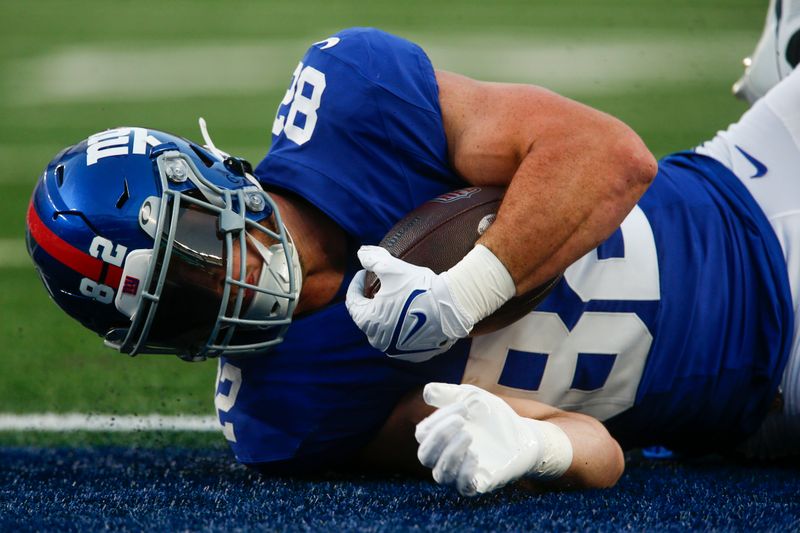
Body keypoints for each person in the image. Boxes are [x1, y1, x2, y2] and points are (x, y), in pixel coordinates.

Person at [25, 1, 800, 496]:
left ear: (211, 175)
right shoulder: (286, 408)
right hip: (771, 381)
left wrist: (460, 298)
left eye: (194, 247)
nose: (216, 288)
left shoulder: (352, 100)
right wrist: (528, 445)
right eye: (178, 308)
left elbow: (613, 157)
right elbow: (595, 448)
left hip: (752, 178)